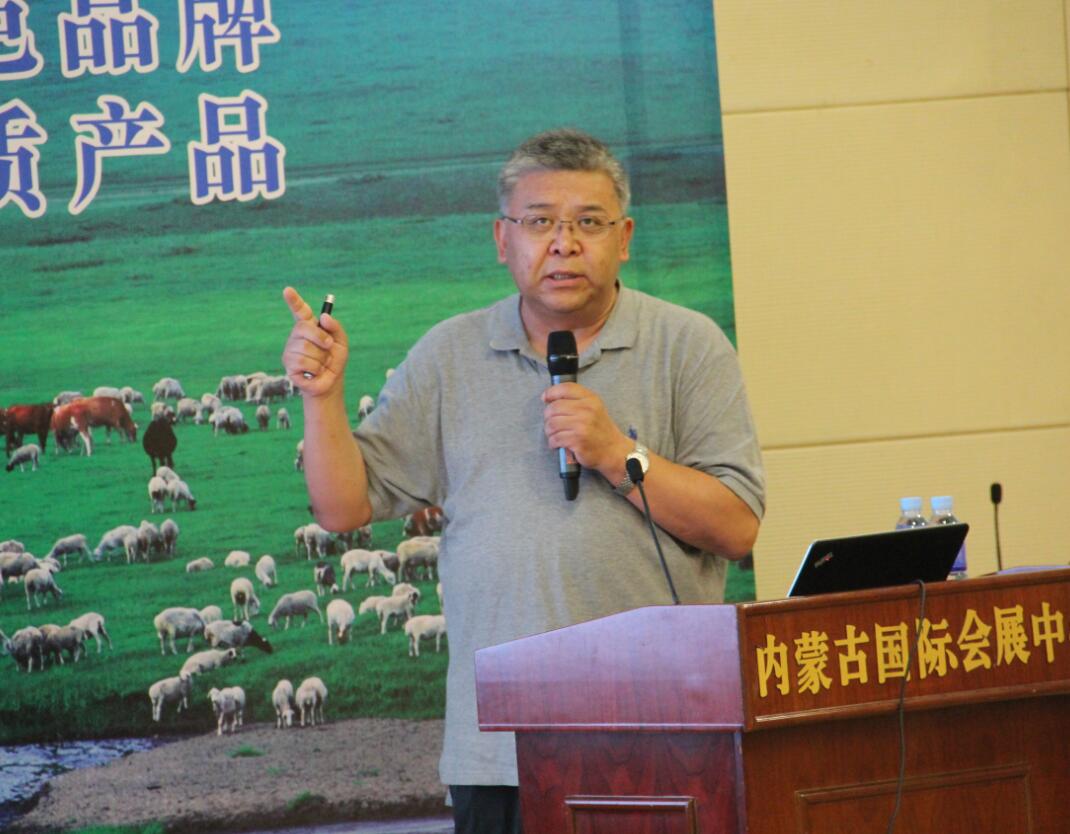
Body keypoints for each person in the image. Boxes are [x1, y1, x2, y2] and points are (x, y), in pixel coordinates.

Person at [281, 128, 765, 834]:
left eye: (588, 222)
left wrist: (615, 454)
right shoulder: (449, 354)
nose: (563, 244)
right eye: (539, 222)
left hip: (664, 741)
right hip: (500, 755)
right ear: (501, 239)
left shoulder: (688, 346)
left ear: (625, 238)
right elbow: (341, 506)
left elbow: (737, 525)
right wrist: (322, 398)